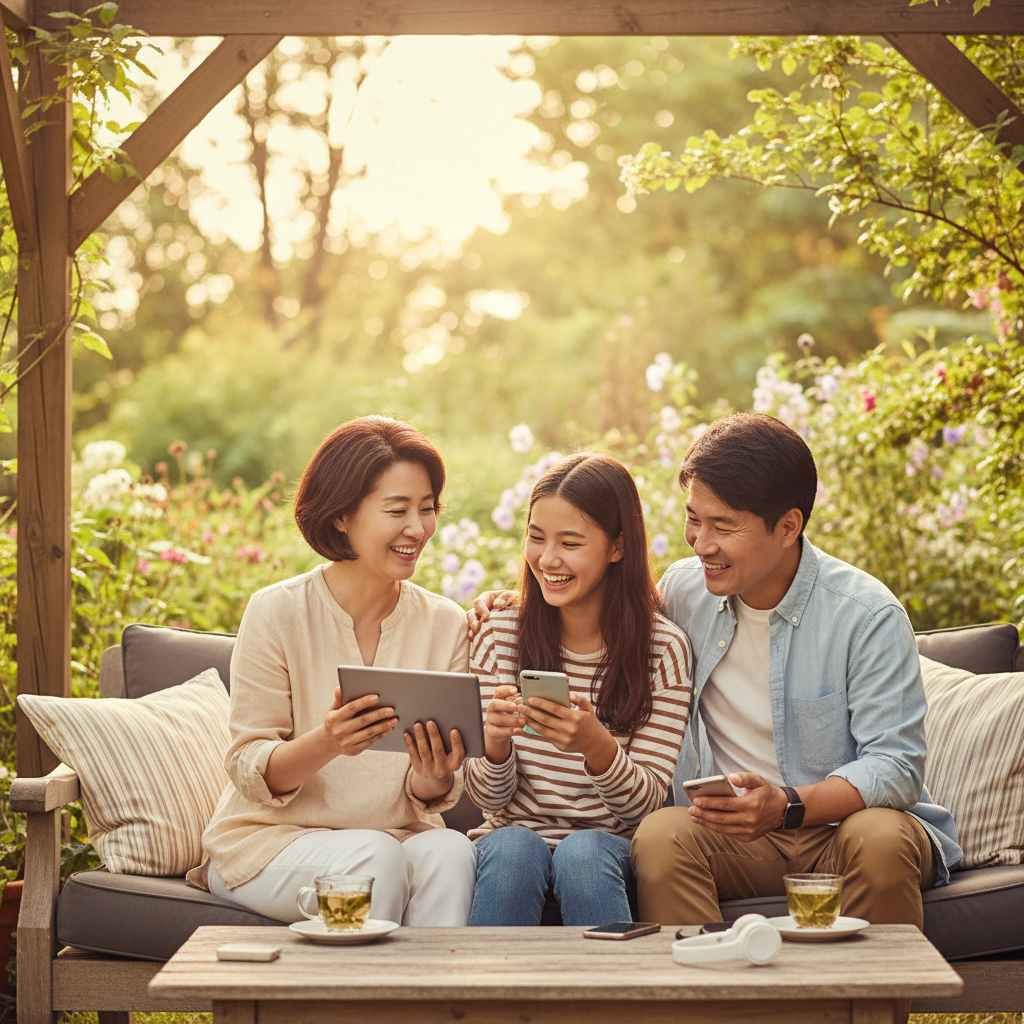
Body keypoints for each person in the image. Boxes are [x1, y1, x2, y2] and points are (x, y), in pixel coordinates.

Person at [471, 413, 960, 932]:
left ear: (789, 525)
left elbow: (897, 765)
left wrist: (787, 805)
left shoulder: (866, 615)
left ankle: (865, 1010)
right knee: (660, 837)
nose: (700, 543)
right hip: (732, 835)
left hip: (843, 829)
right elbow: (603, 602)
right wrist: (515, 600)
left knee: (881, 840)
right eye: (693, 519)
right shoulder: (686, 593)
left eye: (723, 526)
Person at [191, 416, 477, 926]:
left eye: (427, 508)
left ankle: (429, 1006)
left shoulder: (445, 624)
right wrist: (327, 741)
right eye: (397, 509)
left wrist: (435, 773)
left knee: (451, 851)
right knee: (375, 860)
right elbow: (249, 766)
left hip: (393, 836)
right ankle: (348, 1003)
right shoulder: (275, 611)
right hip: (270, 843)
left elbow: (431, 796)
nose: (418, 527)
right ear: (342, 516)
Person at [463, 452, 693, 926]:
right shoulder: (498, 632)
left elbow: (646, 806)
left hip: (608, 849)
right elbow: (489, 798)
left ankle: (610, 998)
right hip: (510, 838)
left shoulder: (662, 650)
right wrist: (496, 745)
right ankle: (489, 999)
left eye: (570, 543)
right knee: (513, 847)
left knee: (583, 853)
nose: (548, 560)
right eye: (536, 537)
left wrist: (597, 748)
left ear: (616, 547)